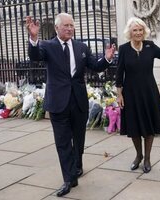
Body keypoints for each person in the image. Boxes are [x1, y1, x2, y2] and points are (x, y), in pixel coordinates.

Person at [26, 13, 115, 197]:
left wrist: (106, 59)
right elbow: (35, 56)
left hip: (78, 101)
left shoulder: (81, 47)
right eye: (65, 25)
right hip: (58, 102)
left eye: (71, 25)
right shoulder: (47, 46)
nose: (69, 28)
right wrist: (34, 38)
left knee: (79, 139)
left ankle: (77, 165)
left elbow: (94, 66)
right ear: (57, 28)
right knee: (63, 142)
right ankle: (68, 179)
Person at [116, 17, 160, 174]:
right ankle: (139, 155)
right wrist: (119, 95)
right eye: (135, 30)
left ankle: (147, 158)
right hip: (131, 93)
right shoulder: (123, 49)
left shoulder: (150, 46)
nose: (138, 32)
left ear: (144, 31)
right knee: (134, 126)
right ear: (130, 32)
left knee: (149, 126)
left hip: (149, 92)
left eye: (140, 30)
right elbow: (119, 73)